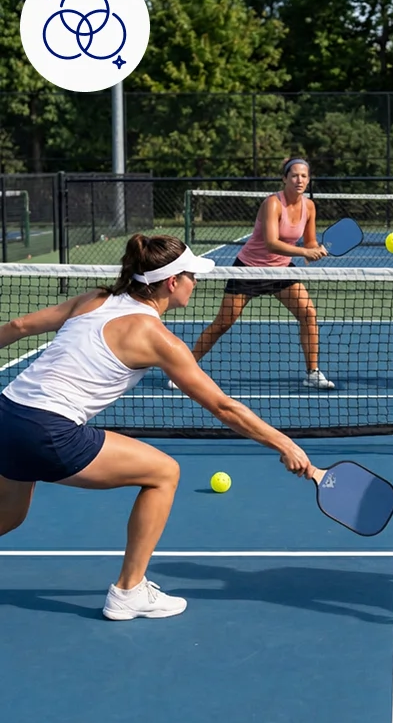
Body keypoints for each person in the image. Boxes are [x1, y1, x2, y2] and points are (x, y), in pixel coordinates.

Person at [0, 234, 316, 621]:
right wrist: (285, 444)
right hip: (49, 430)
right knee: (164, 473)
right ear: (172, 282)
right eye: (191, 276)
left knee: (9, 516)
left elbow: (18, 325)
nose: (195, 283)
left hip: (7, 414)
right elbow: (222, 406)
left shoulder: (94, 299)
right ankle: (128, 591)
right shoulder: (158, 339)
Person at [178, 157, 335, 390]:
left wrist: (314, 250)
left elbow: (310, 242)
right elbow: (271, 243)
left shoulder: (309, 207)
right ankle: (184, 372)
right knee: (222, 324)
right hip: (249, 269)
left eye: (304, 176)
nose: (299, 180)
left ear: (309, 179)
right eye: (294, 175)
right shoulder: (272, 203)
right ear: (284, 178)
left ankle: (312, 373)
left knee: (308, 314)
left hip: (281, 271)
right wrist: (304, 251)